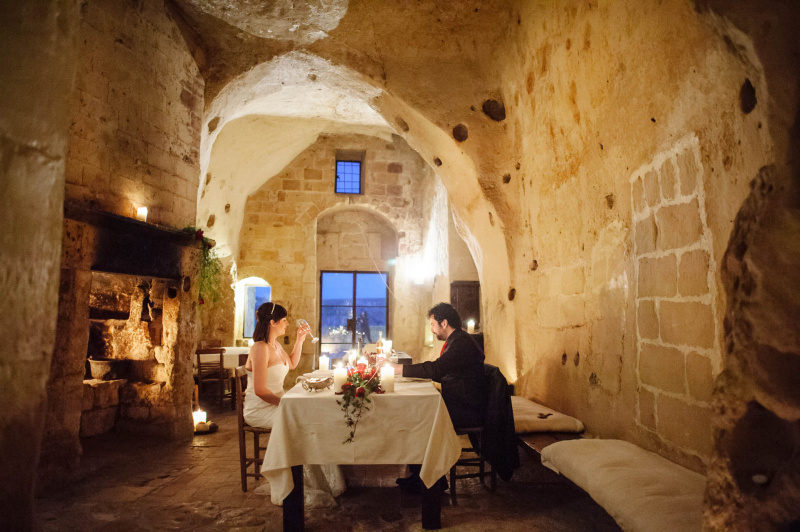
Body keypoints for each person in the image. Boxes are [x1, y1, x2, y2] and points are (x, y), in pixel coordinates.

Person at [245, 302, 345, 505]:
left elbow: (291, 364)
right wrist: (286, 403)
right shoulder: (259, 348)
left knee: (310, 419)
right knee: (300, 424)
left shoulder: (275, 346)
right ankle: (292, 483)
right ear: (272, 323)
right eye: (283, 320)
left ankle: (321, 481)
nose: (287, 324)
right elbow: (260, 390)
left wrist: (300, 340)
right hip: (260, 409)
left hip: (277, 404)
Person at [391, 302, 487, 492]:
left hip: (467, 408)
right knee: (418, 414)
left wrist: (400, 369)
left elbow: (437, 369)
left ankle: (429, 480)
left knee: (420, 419)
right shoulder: (457, 340)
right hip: (462, 402)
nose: (432, 330)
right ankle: (424, 476)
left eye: (433, 325)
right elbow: (440, 370)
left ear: (444, 323)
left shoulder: (461, 343)